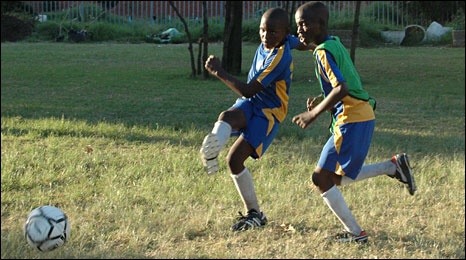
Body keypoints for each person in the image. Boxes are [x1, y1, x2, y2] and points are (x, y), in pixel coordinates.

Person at [291, 1, 417, 243]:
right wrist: (322, 97)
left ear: (321, 25)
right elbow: (346, 81)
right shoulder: (334, 43)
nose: (300, 30)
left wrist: (314, 112)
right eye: (298, 25)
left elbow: (342, 87)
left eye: (305, 24)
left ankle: (356, 233)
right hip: (359, 115)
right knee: (332, 177)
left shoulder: (323, 52)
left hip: (352, 119)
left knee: (322, 178)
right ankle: (393, 167)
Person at [201, 7, 311, 231]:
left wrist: (219, 71)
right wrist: (313, 45)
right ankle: (211, 153)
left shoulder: (279, 57)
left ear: (283, 32)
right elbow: (297, 42)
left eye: (272, 33)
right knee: (226, 116)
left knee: (235, 161)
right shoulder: (285, 39)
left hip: (268, 112)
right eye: (263, 30)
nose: (266, 36)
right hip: (253, 104)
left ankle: (255, 215)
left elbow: (248, 90)